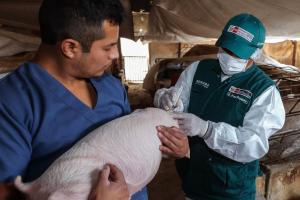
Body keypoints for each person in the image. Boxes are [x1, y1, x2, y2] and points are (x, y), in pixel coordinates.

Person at [0, 0, 147, 199]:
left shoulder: (111, 86)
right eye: (108, 47)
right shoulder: (12, 100)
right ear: (69, 47)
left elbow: (133, 139)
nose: (115, 54)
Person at [154, 13, 285, 200]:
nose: (228, 56)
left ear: (255, 54)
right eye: (225, 49)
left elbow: (252, 144)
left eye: (236, 53)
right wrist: (164, 99)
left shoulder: (264, 91)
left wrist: (208, 130)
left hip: (230, 189)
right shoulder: (198, 69)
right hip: (192, 178)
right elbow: (178, 104)